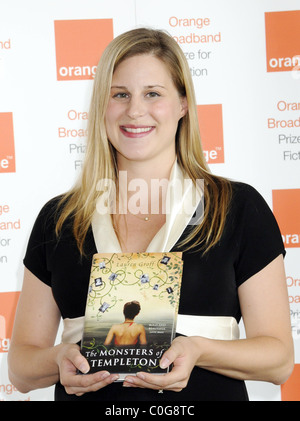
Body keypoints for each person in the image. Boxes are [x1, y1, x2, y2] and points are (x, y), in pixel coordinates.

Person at [8, 28, 294, 401]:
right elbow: (21, 367)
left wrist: (200, 350)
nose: (134, 110)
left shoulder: (236, 208)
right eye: (120, 95)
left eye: (153, 94)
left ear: (183, 104)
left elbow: (279, 360)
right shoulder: (59, 219)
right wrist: (58, 359)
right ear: (101, 106)